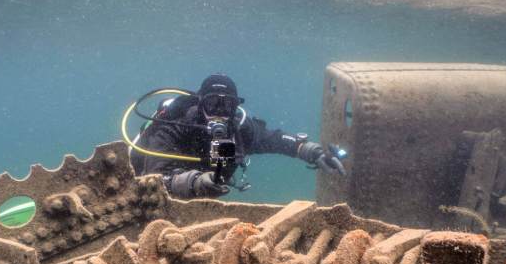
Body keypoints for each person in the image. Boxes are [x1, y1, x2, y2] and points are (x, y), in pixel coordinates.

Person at [129, 74, 346, 199]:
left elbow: (274, 140)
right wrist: (194, 182)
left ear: (235, 107)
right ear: (200, 103)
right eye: (213, 103)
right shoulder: (174, 125)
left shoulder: (239, 128)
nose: (219, 112)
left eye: (227, 105)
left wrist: (313, 152)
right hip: (149, 188)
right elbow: (153, 180)